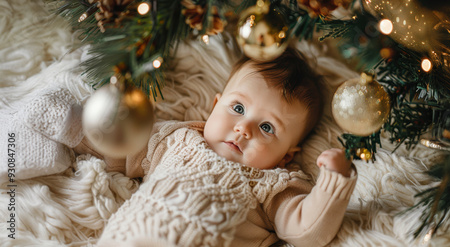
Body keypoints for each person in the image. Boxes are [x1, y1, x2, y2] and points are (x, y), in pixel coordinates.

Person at [75, 47, 357, 247]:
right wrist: (71, 126)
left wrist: (334, 182)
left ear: (286, 157)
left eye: (267, 127)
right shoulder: (174, 136)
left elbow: (308, 231)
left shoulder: (273, 186)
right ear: (214, 106)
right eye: (237, 108)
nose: (243, 128)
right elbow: (116, 145)